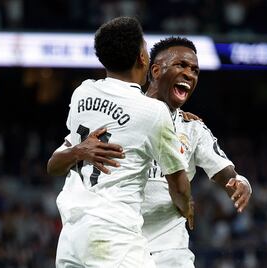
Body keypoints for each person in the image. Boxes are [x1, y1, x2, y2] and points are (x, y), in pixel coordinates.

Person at [48, 37, 252, 267]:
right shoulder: (119, 115)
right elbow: (54, 164)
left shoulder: (193, 128)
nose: (189, 74)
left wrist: (238, 180)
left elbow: (224, 170)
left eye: (195, 70)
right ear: (155, 70)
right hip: (119, 238)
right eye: (181, 65)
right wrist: (78, 151)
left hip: (169, 250)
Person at [52, 18, 193, 268]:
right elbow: (178, 184)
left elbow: (53, 165)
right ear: (142, 58)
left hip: (72, 237)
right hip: (114, 239)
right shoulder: (152, 112)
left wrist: (77, 151)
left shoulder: (82, 93)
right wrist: (185, 207)